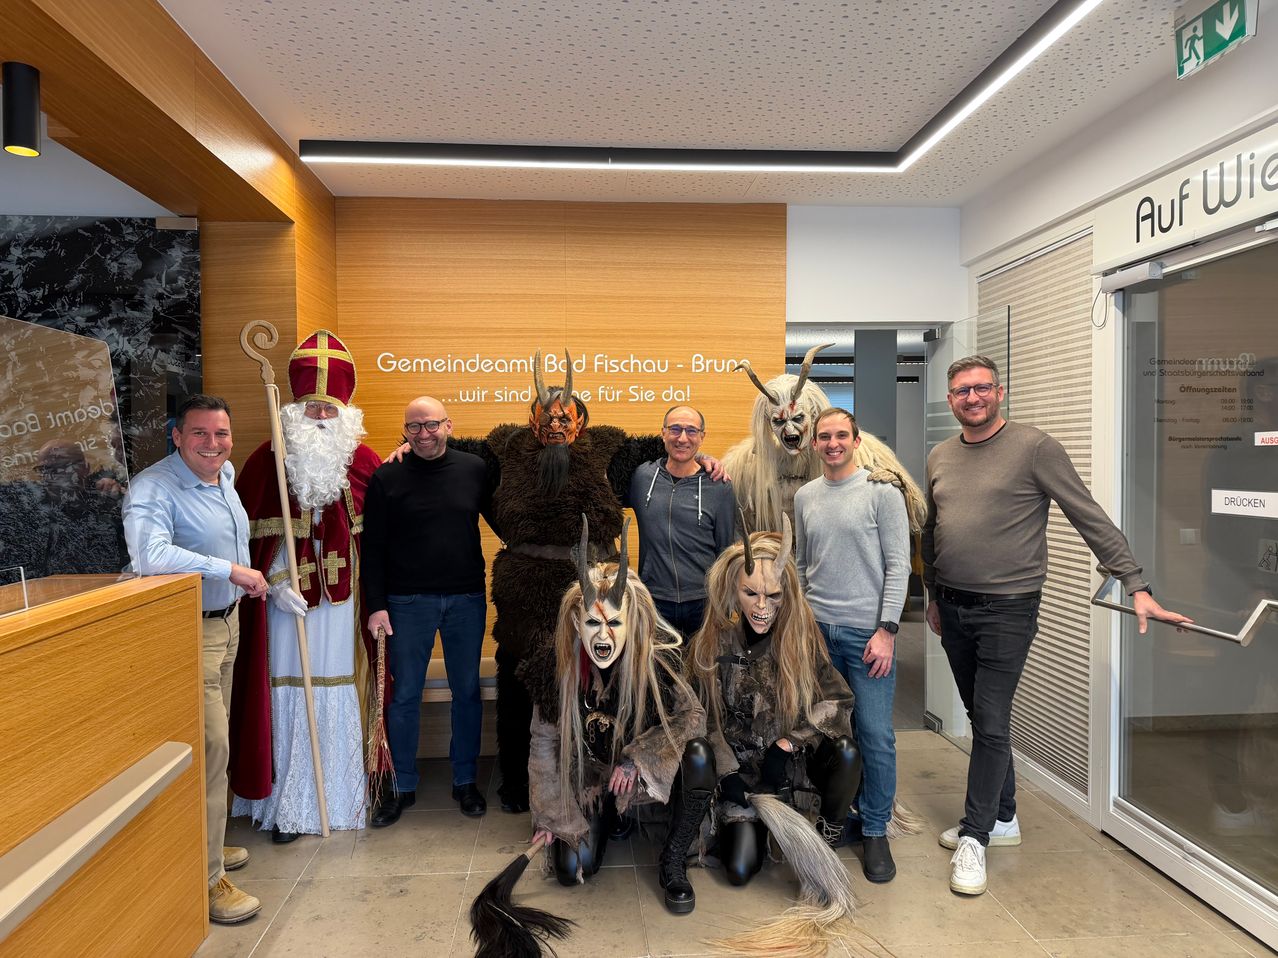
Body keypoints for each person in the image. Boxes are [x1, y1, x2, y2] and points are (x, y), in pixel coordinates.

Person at [922, 354, 1190, 897]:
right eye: (959, 392)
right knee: (981, 716)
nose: (970, 399)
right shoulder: (940, 455)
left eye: (979, 389)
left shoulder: (1035, 447)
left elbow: (1087, 514)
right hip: (951, 606)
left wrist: (1135, 583)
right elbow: (933, 530)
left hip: (1007, 609)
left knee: (992, 721)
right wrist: (929, 594)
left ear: (999, 392)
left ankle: (976, 836)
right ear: (949, 400)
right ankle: (1004, 818)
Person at [228, 330, 385, 841]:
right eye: (312, 408)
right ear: (294, 408)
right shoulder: (263, 463)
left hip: (343, 607)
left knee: (336, 687)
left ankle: (338, 797)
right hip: (284, 608)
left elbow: (380, 545)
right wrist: (273, 584)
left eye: (329, 410)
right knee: (287, 691)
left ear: (346, 412)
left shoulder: (364, 464)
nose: (320, 418)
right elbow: (245, 544)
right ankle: (287, 805)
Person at [122, 394, 268, 924]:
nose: (213, 445)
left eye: (221, 434)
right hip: (186, 633)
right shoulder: (154, 487)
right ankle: (208, 882)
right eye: (200, 434)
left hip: (226, 625)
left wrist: (251, 583)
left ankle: (208, 844)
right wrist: (228, 571)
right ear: (176, 435)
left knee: (215, 749)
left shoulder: (223, 475)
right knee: (211, 751)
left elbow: (233, 541)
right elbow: (149, 555)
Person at [528, 517, 712, 914]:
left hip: (635, 781)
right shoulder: (554, 669)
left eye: (614, 623)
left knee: (700, 752)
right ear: (578, 622)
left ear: (631, 623)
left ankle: (674, 857)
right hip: (591, 779)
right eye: (593, 622)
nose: (603, 636)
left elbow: (693, 717)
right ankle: (607, 814)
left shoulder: (657, 663)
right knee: (571, 869)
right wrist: (549, 813)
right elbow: (543, 743)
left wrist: (638, 759)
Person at [686, 520, 861, 885]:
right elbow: (701, 717)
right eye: (751, 594)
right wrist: (727, 772)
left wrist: (789, 743)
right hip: (742, 776)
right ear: (735, 591)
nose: (763, 607)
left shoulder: (800, 638)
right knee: (739, 871)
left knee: (846, 752)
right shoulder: (711, 642)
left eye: (774, 596)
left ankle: (827, 835)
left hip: (790, 770)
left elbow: (839, 699)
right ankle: (756, 828)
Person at [363, 395, 497, 825]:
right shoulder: (387, 476)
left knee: (467, 693)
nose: (424, 434)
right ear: (404, 431)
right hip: (406, 604)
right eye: (415, 427)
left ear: (449, 425)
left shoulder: (474, 469)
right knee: (404, 697)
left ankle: (464, 781)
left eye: (432, 425)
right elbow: (373, 549)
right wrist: (377, 606)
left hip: (465, 601)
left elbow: (508, 519)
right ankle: (402, 785)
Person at [794, 407, 910, 883]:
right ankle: (836, 815)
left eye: (842, 435)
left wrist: (887, 630)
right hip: (818, 634)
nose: (833, 443)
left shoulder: (882, 493)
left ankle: (877, 828)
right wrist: (799, 625)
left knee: (876, 735)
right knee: (824, 731)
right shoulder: (805, 496)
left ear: (857, 440)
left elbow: (899, 565)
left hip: (868, 635)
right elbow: (801, 566)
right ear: (814, 444)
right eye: (825, 436)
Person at [722, 344, 927, 535]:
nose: (790, 431)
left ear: (812, 414)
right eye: (779, 421)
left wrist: (900, 491)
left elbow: (915, 514)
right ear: (768, 422)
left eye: (798, 418)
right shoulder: (745, 466)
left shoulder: (861, 452)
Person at [626, 405, 736, 639]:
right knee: (660, 671)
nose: (682, 438)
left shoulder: (719, 486)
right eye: (675, 429)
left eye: (691, 431)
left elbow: (726, 551)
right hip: (654, 601)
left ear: (702, 436)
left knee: (702, 672)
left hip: (704, 602)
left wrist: (723, 604)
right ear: (663, 433)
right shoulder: (641, 477)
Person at [0, 439, 129, 579]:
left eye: (64, 465)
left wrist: (116, 500)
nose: (53, 475)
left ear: (85, 467)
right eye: (45, 469)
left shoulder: (107, 498)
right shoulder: (29, 514)